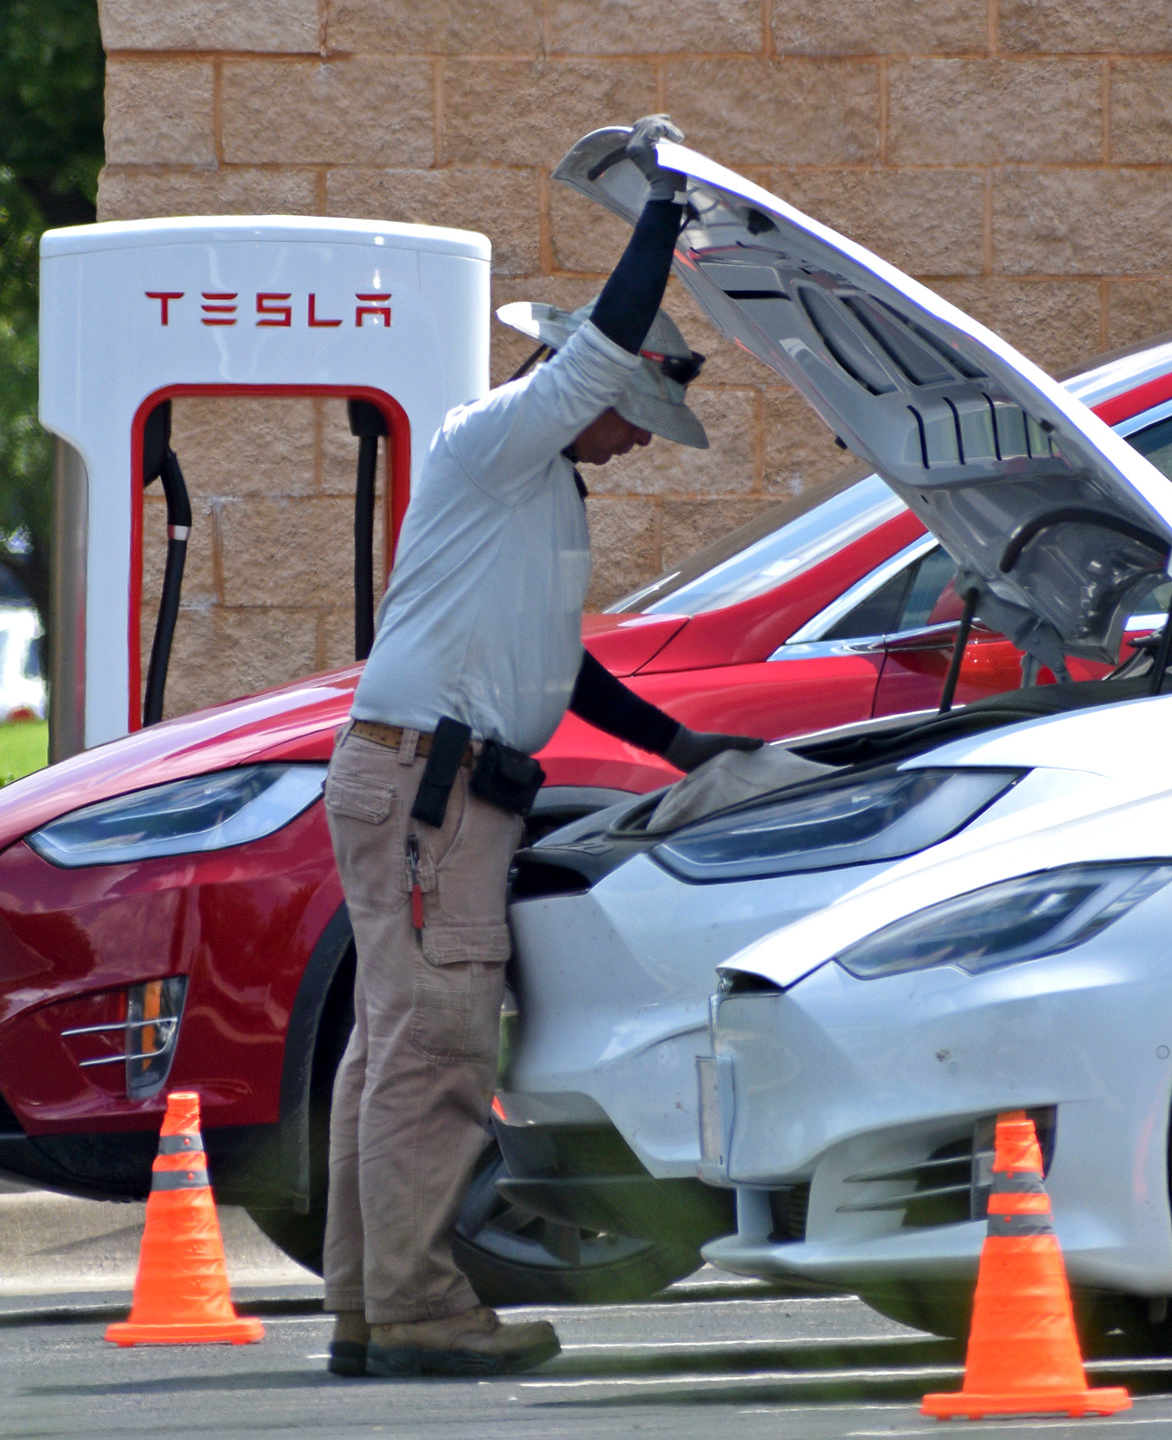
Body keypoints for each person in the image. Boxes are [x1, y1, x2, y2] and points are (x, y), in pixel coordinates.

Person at [320, 115, 760, 1379]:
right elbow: (594, 357)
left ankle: (369, 1306)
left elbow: (559, 665)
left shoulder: (535, 487)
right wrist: (664, 222)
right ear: (599, 392)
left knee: (391, 1045)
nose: (629, 453)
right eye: (631, 426)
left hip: (425, 785)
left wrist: (679, 740)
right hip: (432, 790)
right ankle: (415, 1310)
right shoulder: (501, 437)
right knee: (439, 1046)